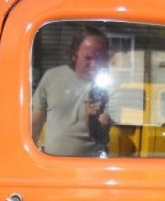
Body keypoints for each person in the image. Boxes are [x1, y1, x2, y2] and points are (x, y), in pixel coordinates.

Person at [31, 26, 113, 157]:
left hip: (92, 165)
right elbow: (35, 123)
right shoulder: (52, 77)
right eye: (88, 58)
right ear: (74, 54)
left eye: (100, 58)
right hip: (50, 164)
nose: (94, 64)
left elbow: (101, 138)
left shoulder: (108, 85)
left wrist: (91, 120)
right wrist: (32, 156)